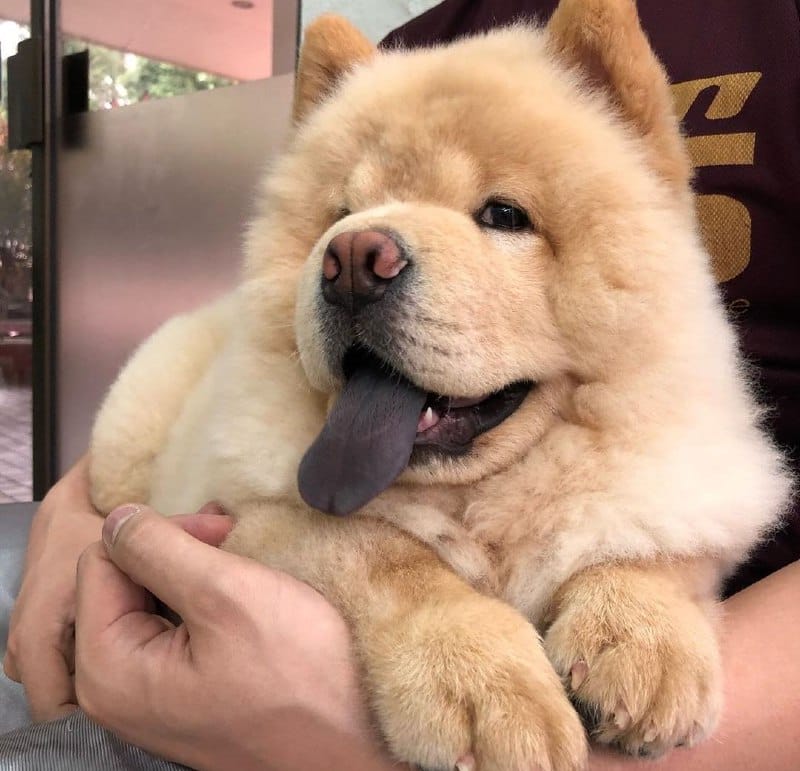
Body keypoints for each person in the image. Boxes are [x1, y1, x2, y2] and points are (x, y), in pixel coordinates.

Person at [3, 0, 799, 767]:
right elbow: (242, 489)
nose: (358, 255)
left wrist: (646, 585)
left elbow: (685, 512)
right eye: (341, 217)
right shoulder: (417, 50)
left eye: (503, 214)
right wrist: (86, 512)